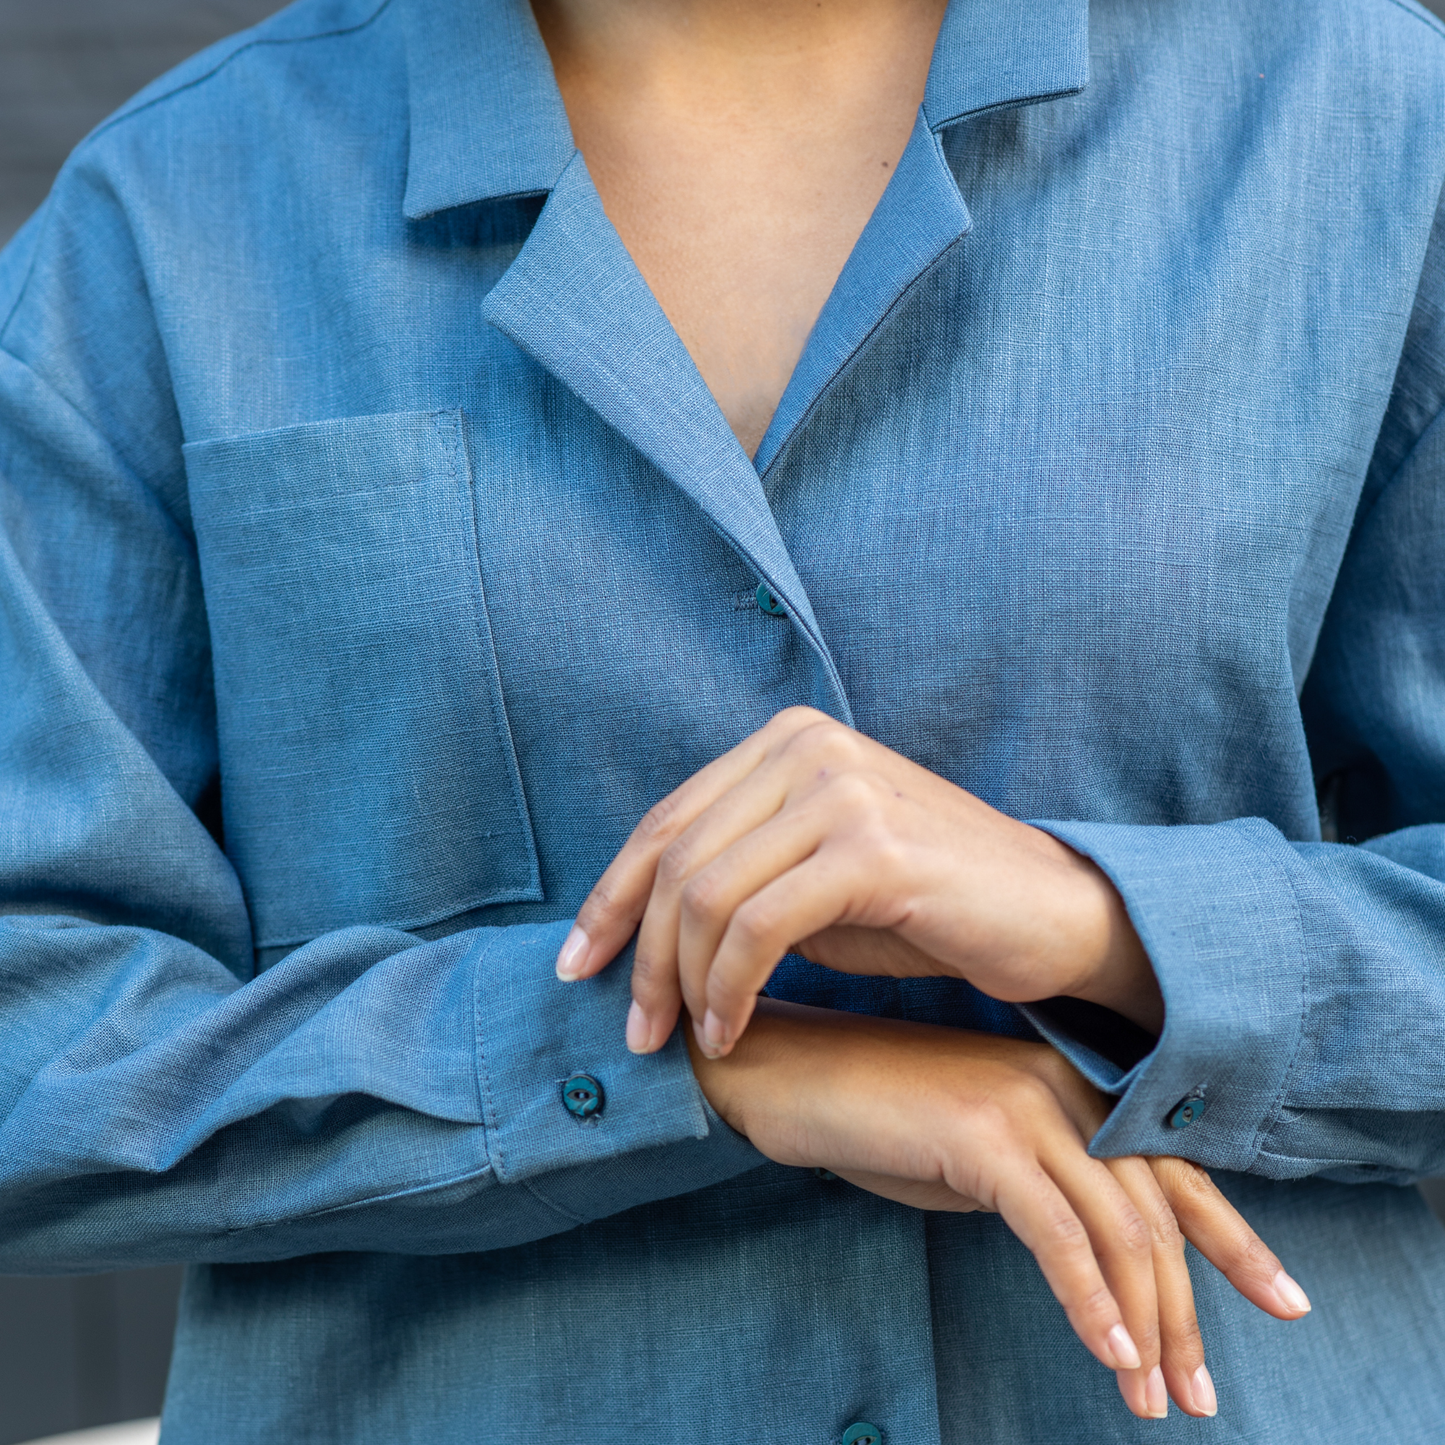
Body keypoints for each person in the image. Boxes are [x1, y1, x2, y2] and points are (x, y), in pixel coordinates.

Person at [1, 0, 1443, 1438]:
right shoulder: (163, 218)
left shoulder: (1365, 119)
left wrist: (1099, 924)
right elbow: (30, 1034)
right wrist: (672, 1057)